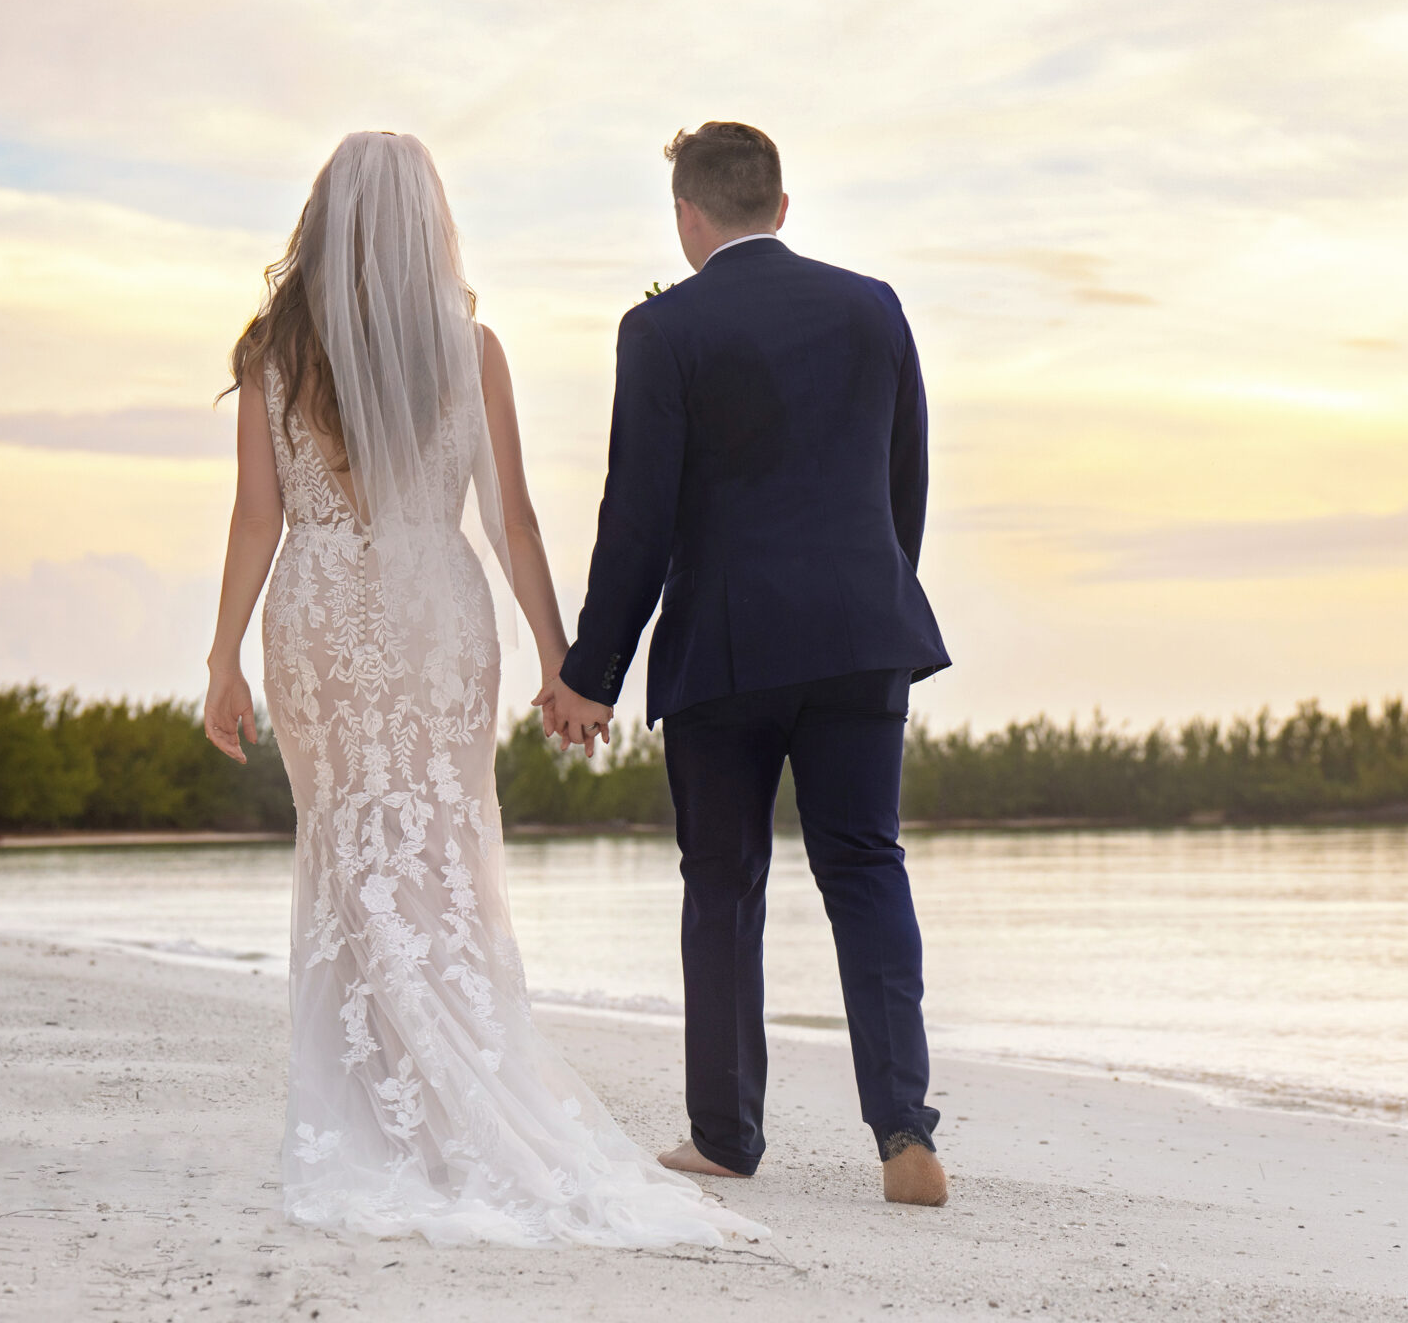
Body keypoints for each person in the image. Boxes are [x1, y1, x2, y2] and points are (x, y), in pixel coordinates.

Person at [201, 131, 763, 1248]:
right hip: (438, 615)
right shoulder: (472, 348)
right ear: (427, 226)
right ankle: (443, 1091)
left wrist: (220, 657)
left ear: (323, 222)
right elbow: (511, 520)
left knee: (354, 851)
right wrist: (563, 663)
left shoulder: (275, 352)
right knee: (435, 850)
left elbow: (258, 517)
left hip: (319, 615)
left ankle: (379, 1108)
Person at [536, 121, 955, 1206]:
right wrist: (868, 597)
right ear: (780, 203)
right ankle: (903, 1128)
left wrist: (591, 672)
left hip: (725, 647)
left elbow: (637, 518)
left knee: (722, 884)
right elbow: (901, 483)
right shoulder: (874, 307)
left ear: (686, 216)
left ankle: (725, 1134)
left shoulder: (663, 329)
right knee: (865, 865)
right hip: (864, 631)